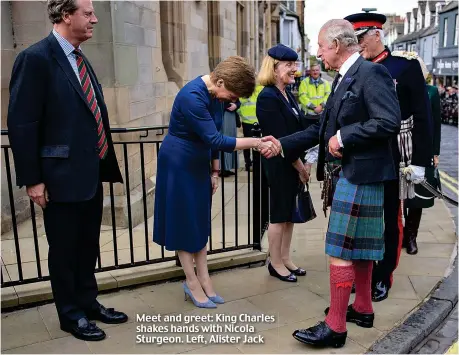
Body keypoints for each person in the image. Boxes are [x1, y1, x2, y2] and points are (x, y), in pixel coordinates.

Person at [262, 19, 402, 348]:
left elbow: (388, 121)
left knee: (339, 250)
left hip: (360, 172)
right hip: (355, 173)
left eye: (321, 48)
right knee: (363, 248)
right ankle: (363, 308)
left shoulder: (371, 73)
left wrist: (345, 136)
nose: (318, 56)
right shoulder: (343, 77)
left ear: (336, 46)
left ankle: (336, 326)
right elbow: (320, 129)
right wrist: (281, 144)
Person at [7, 0, 128, 341]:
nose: (95, 19)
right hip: (59, 177)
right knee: (64, 249)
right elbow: (22, 124)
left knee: (87, 245)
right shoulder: (35, 58)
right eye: (88, 13)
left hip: (90, 171)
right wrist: (33, 179)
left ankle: (88, 303)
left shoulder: (80, 57)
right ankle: (71, 314)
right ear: (65, 15)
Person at [152, 56, 279, 309]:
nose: (232, 100)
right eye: (231, 95)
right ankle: (191, 281)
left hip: (198, 162)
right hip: (178, 164)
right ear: (220, 81)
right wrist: (256, 142)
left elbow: (214, 138)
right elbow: (216, 140)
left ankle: (205, 278)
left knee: (199, 221)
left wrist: (215, 171)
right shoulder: (192, 96)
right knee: (184, 223)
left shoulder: (216, 95)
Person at [344, 12, 432, 302]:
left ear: (377, 34)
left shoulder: (403, 67)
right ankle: (363, 274)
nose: (358, 47)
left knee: (388, 218)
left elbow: (422, 116)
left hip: (393, 155)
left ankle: (383, 276)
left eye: (360, 40)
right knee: (360, 220)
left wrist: (420, 160)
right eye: (353, 42)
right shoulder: (355, 69)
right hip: (361, 156)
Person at [256, 44, 310, 283]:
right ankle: (275, 263)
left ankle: (285, 258)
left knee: (289, 214)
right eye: (289, 65)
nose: (294, 70)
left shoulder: (286, 93)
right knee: (278, 216)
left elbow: (297, 130)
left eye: (294, 65)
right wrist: (300, 166)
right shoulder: (268, 96)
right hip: (279, 164)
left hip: (291, 162)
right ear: (274, 67)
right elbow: (279, 139)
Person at [403, 56, 442, 254]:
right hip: (401, 149)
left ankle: (411, 236)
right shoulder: (400, 87)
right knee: (399, 195)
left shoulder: (432, 91)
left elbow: (435, 124)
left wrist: (435, 152)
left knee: (417, 197)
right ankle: (398, 234)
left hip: (422, 150)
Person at [237, 84, 264, 171]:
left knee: (250, 144)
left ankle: (249, 164)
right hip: (255, 121)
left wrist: (242, 115)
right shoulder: (259, 88)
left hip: (249, 121)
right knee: (254, 143)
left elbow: (239, 106)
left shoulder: (245, 89)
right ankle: (253, 163)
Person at [298, 64, 331, 129]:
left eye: (317, 70)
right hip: (307, 116)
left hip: (321, 115)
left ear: (319, 71)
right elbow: (302, 96)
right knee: (307, 135)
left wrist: (321, 106)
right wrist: (314, 107)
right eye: (313, 70)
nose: (315, 72)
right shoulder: (304, 82)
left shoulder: (325, 83)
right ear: (310, 72)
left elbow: (328, 96)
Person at [219, 101, 240, 177]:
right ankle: (222, 168)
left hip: (231, 115)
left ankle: (228, 168)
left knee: (231, 138)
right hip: (224, 114)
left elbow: (238, 101)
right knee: (225, 139)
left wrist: (236, 105)